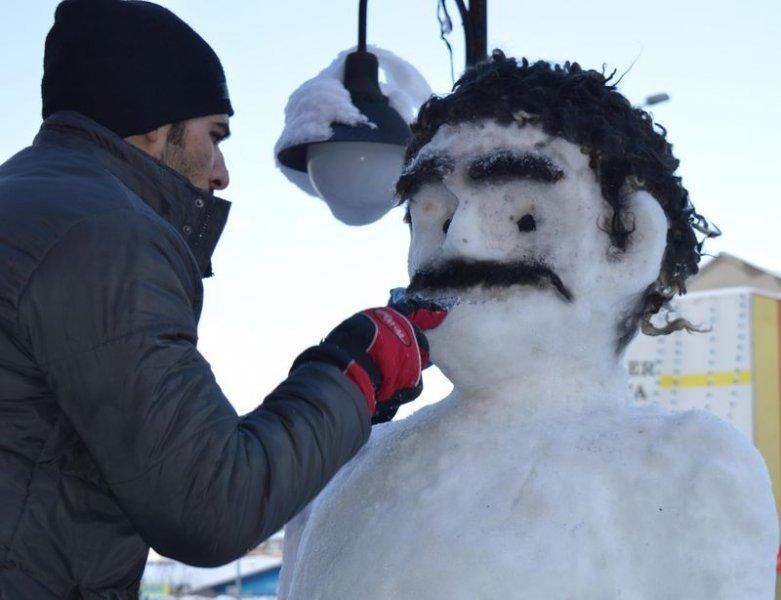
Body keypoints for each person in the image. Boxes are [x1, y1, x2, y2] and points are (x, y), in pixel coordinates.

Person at [278, 52, 777, 599]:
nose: (458, 241)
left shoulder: (685, 469)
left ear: (631, 244)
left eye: (523, 219)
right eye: (435, 216)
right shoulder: (350, 463)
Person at [0, 1, 445, 597]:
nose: (222, 172)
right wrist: (356, 370)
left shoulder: (31, 208)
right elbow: (210, 504)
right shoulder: (107, 238)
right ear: (152, 121)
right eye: (213, 135)